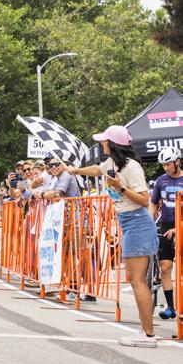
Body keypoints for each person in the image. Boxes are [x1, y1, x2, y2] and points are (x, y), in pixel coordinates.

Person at [68, 125, 160, 348]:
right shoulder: (112, 163)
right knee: (134, 279)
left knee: (137, 281)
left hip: (137, 223)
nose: (101, 144)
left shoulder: (132, 167)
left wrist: (120, 188)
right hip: (129, 224)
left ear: (113, 144)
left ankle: (148, 334)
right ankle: (145, 331)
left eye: (104, 141)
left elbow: (144, 200)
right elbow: (96, 170)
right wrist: (76, 171)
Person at [150, 146, 182, 320]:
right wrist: (149, 220)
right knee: (165, 267)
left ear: (177, 162)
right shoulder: (161, 180)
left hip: (182, 225)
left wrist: (178, 228)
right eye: (163, 165)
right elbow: (154, 203)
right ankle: (171, 307)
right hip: (166, 224)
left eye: (168, 164)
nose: (166, 167)